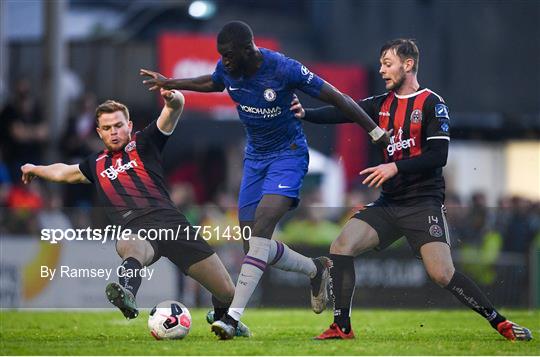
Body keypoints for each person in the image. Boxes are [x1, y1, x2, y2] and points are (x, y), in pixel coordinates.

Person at [140, 21, 390, 340]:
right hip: (255, 160)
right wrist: (173, 81)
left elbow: (338, 98)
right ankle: (316, 269)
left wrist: (375, 132)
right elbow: (214, 82)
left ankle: (232, 318)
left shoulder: (284, 69)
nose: (225, 61)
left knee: (261, 231)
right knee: (253, 247)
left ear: (249, 49)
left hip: (288, 155)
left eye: (229, 55)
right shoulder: (228, 68)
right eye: (222, 56)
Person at [294, 39, 532, 341]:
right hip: (389, 203)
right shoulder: (381, 104)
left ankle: (501, 322)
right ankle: (342, 327)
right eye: (380, 63)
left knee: (442, 274)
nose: (381, 70)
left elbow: (438, 156)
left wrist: (395, 167)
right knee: (342, 246)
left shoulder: (433, 103)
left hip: (423, 205)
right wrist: (306, 113)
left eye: (387, 63)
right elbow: (345, 110)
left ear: (408, 65)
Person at [20, 89, 251, 337]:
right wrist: (36, 168)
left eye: (118, 125)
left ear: (129, 125)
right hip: (136, 227)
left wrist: (174, 100)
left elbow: (173, 111)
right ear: (99, 132)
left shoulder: (144, 142)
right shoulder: (94, 164)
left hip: (173, 224)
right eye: (107, 128)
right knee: (132, 247)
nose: (114, 131)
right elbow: (64, 172)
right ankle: (127, 293)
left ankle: (221, 316)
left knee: (227, 291)